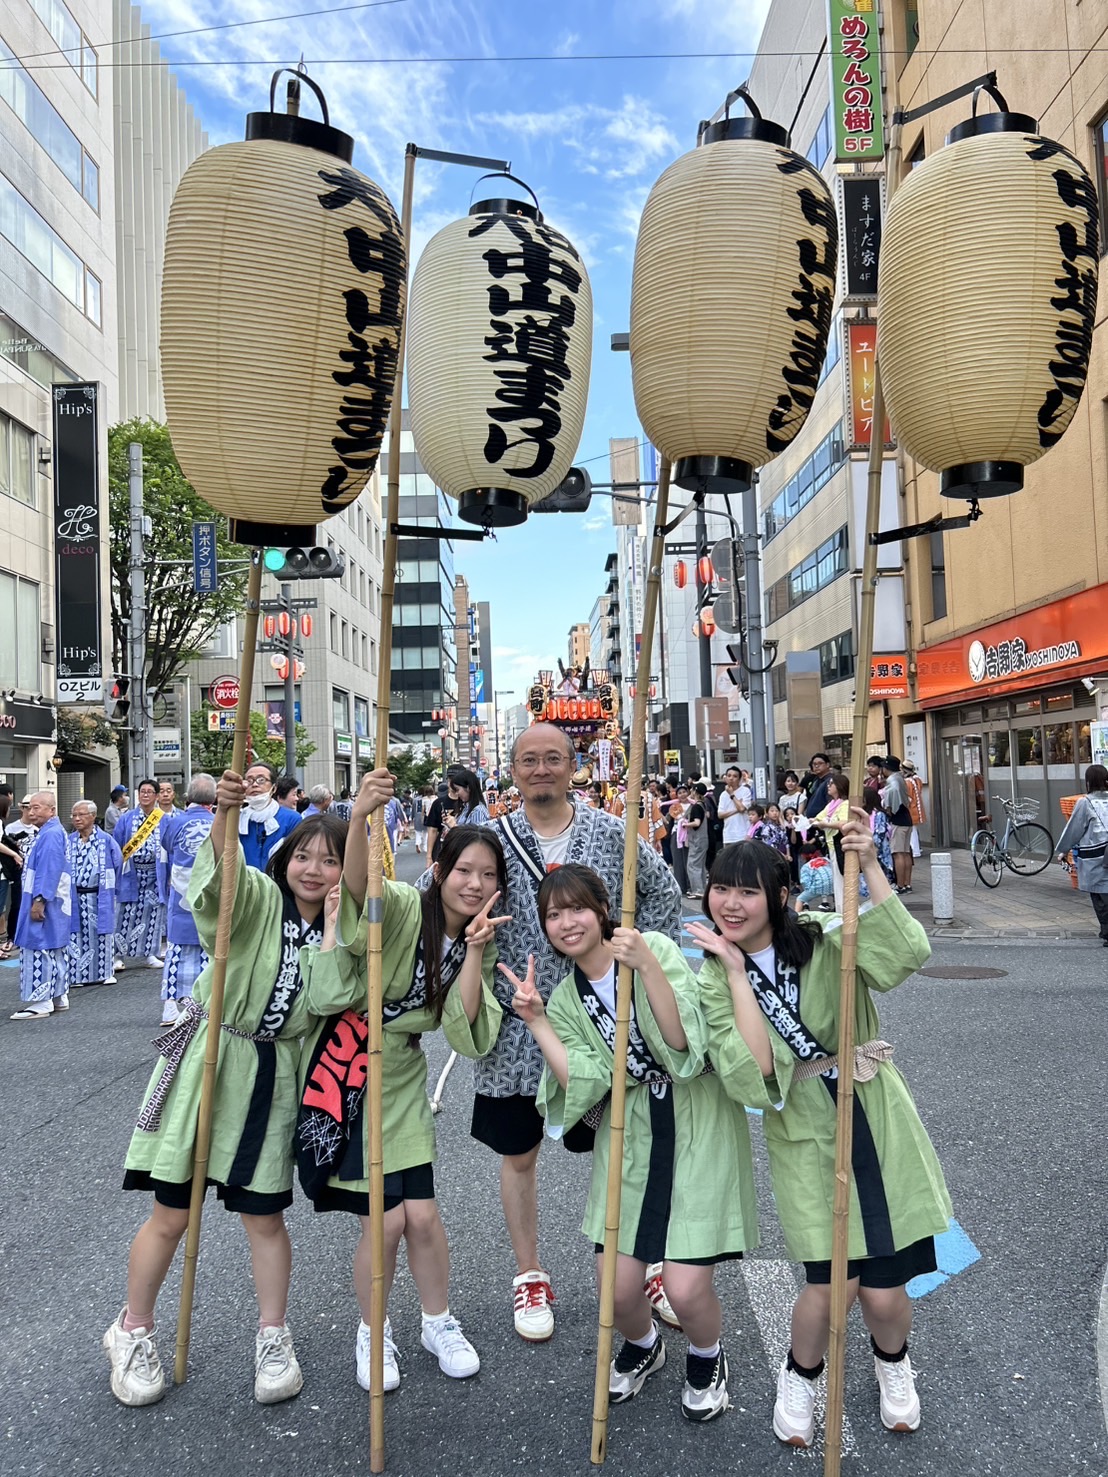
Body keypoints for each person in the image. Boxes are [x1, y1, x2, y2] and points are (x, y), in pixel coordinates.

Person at [690, 826, 951, 1447]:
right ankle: (801, 1374)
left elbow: (904, 954)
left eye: (747, 891)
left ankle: (893, 1366)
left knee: (885, 1295)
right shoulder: (711, 976)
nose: (729, 902)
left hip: (874, 1115)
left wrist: (866, 866)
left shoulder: (827, 941)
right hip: (804, 1130)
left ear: (781, 896)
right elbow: (752, 1068)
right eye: (719, 888)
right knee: (830, 1286)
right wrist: (733, 972)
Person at [102, 772, 348, 1409]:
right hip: (210, 1058)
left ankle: (273, 1336)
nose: (314, 870)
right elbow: (221, 888)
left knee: (263, 1215)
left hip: (275, 1074)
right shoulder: (261, 897)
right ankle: (131, 1330)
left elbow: (329, 996)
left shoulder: (342, 933)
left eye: (330, 860)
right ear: (284, 859)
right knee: (173, 1212)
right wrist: (226, 817)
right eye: (304, 855)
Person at [507, 864, 756, 1422]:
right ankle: (646, 1346)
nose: (566, 922)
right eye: (553, 914)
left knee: (687, 1291)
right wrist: (540, 1022)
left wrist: (647, 968)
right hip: (633, 1130)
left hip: (697, 1119)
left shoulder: (655, 947)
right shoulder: (569, 998)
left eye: (576, 908)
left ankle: (706, 1353)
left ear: (602, 910)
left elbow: (684, 1046)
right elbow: (586, 1080)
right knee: (617, 1291)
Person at [473, 723, 682, 1343]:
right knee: (519, 1155)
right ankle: (529, 1273)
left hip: (603, 1017)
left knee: (628, 1145)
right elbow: (456, 900)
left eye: (553, 759)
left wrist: (637, 964)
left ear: (574, 766)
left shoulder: (610, 832)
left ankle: (644, 1264)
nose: (541, 769)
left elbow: (665, 898)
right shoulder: (495, 840)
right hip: (520, 1026)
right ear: (512, 769)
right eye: (528, 760)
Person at [298, 770, 507, 1391]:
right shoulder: (407, 907)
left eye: (488, 875)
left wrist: (473, 951)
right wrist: (362, 814)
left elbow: (469, 1032)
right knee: (383, 1219)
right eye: (464, 870)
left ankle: (436, 1320)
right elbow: (361, 886)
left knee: (422, 1216)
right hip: (352, 1064)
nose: (475, 883)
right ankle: (374, 1328)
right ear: (439, 869)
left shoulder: (480, 939)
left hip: (405, 1076)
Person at [157, 774, 217, 1027]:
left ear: (188, 797)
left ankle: (171, 1004)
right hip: (212, 891)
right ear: (213, 799)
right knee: (210, 949)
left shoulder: (175, 822)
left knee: (177, 949)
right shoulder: (219, 822)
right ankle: (205, 1003)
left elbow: (167, 846)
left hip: (182, 891)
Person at [10, 791, 72, 1019]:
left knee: (39, 946)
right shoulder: (53, 831)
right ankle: (58, 996)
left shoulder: (51, 834)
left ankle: (41, 1001)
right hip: (56, 900)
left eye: (37, 807)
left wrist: (39, 900)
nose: (32, 811)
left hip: (47, 899)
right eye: (29, 807)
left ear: (51, 810)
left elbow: (48, 869)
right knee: (54, 947)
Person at [67, 800, 122, 988]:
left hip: (99, 895)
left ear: (92, 816)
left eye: (81, 815)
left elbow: (118, 862)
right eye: (74, 815)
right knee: (75, 935)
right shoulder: (69, 840)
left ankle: (106, 972)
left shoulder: (106, 839)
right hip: (75, 895)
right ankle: (76, 975)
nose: (76, 819)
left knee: (103, 933)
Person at [113, 780, 166, 971]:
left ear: (156, 796)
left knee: (152, 914)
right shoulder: (126, 818)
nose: (145, 795)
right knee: (125, 913)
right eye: (142, 791)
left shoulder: (164, 819)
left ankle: (150, 953)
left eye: (150, 792)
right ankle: (117, 955)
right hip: (131, 873)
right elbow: (117, 845)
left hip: (155, 873)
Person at [1055, 764, 1108, 945]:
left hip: (1097, 856)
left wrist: (1063, 851)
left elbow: (1074, 829)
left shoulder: (1085, 802)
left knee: (1099, 894)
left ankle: (1107, 931)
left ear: (1088, 782)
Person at [239, 760, 302, 869]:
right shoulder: (237, 819)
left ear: (274, 788)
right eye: (249, 780)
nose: (254, 784)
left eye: (261, 780)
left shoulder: (292, 819)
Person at [807, 772, 851, 913]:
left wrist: (825, 824)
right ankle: (840, 910)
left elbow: (843, 823)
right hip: (831, 844)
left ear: (839, 786)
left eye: (831, 783)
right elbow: (817, 819)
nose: (828, 786)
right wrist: (804, 821)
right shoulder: (832, 804)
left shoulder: (845, 804)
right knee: (837, 881)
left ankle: (845, 912)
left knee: (842, 881)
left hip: (840, 845)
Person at [880, 757, 915, 893]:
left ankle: (900, 886)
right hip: (906, 818)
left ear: (886, 768)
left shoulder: (892, 782)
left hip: (898, 820)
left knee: (898, 853)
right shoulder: (900, 778)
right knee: (906, 853)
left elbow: (890, 807)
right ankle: (907, 884)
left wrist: (886, 809)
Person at [684, 783, 710, 899]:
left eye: (692, 789)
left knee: (693, 865)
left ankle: (698, 890)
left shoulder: (696, 807)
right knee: (700, 865)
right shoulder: (703, 804)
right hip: (703, 839)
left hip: (697, 840)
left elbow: (697, 823)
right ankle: (702, 889)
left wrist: (685, 824)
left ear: (695, 791)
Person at [717, 767, 753, 845]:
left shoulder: (745, 791)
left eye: (735, 776)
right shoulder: (723, 794)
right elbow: (720, 814)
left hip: (743, 833)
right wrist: (736, 810)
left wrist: (732, 795)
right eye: (729, 776)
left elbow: (742, 808)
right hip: (728, 835)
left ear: (739, 779)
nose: (731, 778)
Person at [670, 783, 691, 895]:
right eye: (680, 793)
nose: (682, 795)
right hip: (676, 834)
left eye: (684, 792)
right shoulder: (674, 807)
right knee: (678, 861)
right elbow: (668, 820)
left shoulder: (694, 805)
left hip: (689, 835)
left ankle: (690, 885)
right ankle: (680, 887)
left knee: (688, 860)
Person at [903, 761, 926, 858]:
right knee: (914, 830)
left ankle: (915, 850)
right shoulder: (917, 780)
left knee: (912, 832)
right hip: (917, 807)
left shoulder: (908, 782)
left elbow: (907, 797)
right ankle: (917, 849)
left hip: (911, 808)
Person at [802, 753, 833, 824]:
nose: (816, 766)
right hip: (812, 822)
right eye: (814, 764)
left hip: (823, 823)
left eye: (820, 763)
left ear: (827, 765)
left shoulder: (831, 781)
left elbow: (831, 803)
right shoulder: (816, 780)